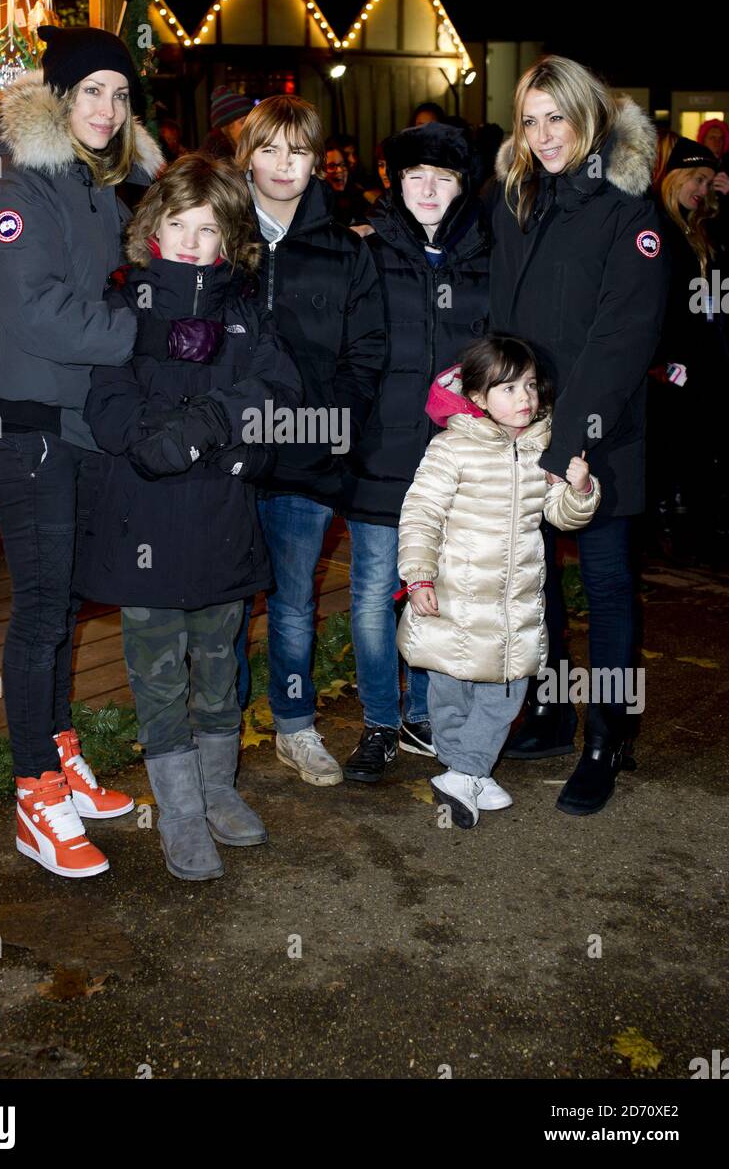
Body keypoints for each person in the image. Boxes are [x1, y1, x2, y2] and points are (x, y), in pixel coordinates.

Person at [0, 26, 224, 879]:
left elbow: (148, 243)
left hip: (74, 422)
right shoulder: (16, 190)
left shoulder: (89, 182)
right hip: (25, 422)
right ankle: (34, 791)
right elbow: (37, 311)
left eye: (121, 95)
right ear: (57, 98)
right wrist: (142, 335)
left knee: (66, 598)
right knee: (41, 606)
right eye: (91, 93)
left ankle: (59, 754)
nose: (107, 110)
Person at [76, 154, 302, 881]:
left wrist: (213, 428)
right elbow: (106, 404)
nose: (191, 243)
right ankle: (177, 810)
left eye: (207, 230)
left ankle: (217, 791)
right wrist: (153, 439)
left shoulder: (242, 309)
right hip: (142, 522)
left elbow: (277, 390)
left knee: (216, 665)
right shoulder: (123, 303)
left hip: (219, 523)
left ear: (227, 236)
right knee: (158, 673)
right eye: (178, 225)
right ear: (153, 227)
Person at [488, 55, 669, 816]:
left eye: (554, 117)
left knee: (604, 586)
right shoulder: (519, 198)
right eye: (528, 121)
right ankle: (553, 712)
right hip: (523, 429)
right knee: (536, 585)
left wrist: (573, 444)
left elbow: (620, 340)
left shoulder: (628, 210)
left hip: (598, 434)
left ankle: (607, 737)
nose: (542, 135)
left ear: (586, 115)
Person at [233, 95, 386, 786]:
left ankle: (293, 726)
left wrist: (325, 429)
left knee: (292, 604)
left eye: (297, 151)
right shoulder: (220, 231)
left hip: (306, 451)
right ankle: (217, 731)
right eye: (269, 150)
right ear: (248, 156)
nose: (283, 164)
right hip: (226, 455)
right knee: (221, 604)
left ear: (315, 160)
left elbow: (367, 352)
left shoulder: (344, 248)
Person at [340, 122, 492, 782]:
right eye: (414, 176)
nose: (427, 189)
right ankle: (377, 720)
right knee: (375, 592)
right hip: (379, 454)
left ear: (462, 186)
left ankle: (423, 714)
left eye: (443, 177)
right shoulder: (366, 251)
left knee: (436, 590)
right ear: (395, 183)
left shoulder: (487, 255)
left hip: (454, 461)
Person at [397, 337, 600, 827]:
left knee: (507, 691)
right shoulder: (451, 447)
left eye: (529, 385)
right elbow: (422, 514)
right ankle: (464, 769)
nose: (524, 398)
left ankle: (465, 770)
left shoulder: (543, 447)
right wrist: (419, 575)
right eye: (508, 389)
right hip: (452, 599)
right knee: (449, 692)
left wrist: (580, 490)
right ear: (479, 397)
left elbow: (561, 515)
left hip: (513, 605)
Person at [648, 136, 727, 556]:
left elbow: (719, 291)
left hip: (706, 355)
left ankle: (695, 525)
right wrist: (660, 359)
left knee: (702, 444)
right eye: (697, 178)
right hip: (669, 362)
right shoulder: (655, 225)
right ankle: (669, 525)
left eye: (709, 181)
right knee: (672, 445)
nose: (702, 188)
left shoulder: (703, 228)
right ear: (675, 177)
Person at [324, 138, 369, 227]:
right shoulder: (314, 200)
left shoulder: (356, 195)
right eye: (332, 166)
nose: (340, 170)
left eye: (343, 164)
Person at [202, 85, 255, 160]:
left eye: (252, 120)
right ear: (227, 127)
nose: (251, 126)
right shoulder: (217, 160)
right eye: (243, 122)